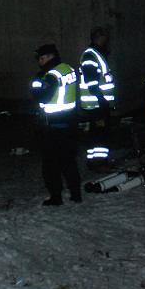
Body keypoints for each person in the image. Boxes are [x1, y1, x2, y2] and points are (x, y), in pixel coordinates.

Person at [30, 44, 82, 206]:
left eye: (42, 58)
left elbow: (41, 98)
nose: (40, 62)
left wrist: (37, 84)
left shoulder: (50, 76)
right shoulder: (68, 69)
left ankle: (56, 197)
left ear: (50, 57)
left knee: (50, 165)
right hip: (69, 123)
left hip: (53, 126)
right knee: (68, 161)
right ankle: (75, 194)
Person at [79, 27, 116, 170]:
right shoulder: (91, 55)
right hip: (96, 104)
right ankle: (99, 163)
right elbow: (92, 82)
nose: (107, 39)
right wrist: (102, 101)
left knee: (96, 134)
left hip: (97, 103)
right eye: (105, 36)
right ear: (99, 37)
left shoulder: (96, 53)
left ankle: (96, 162)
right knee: (99, 134)